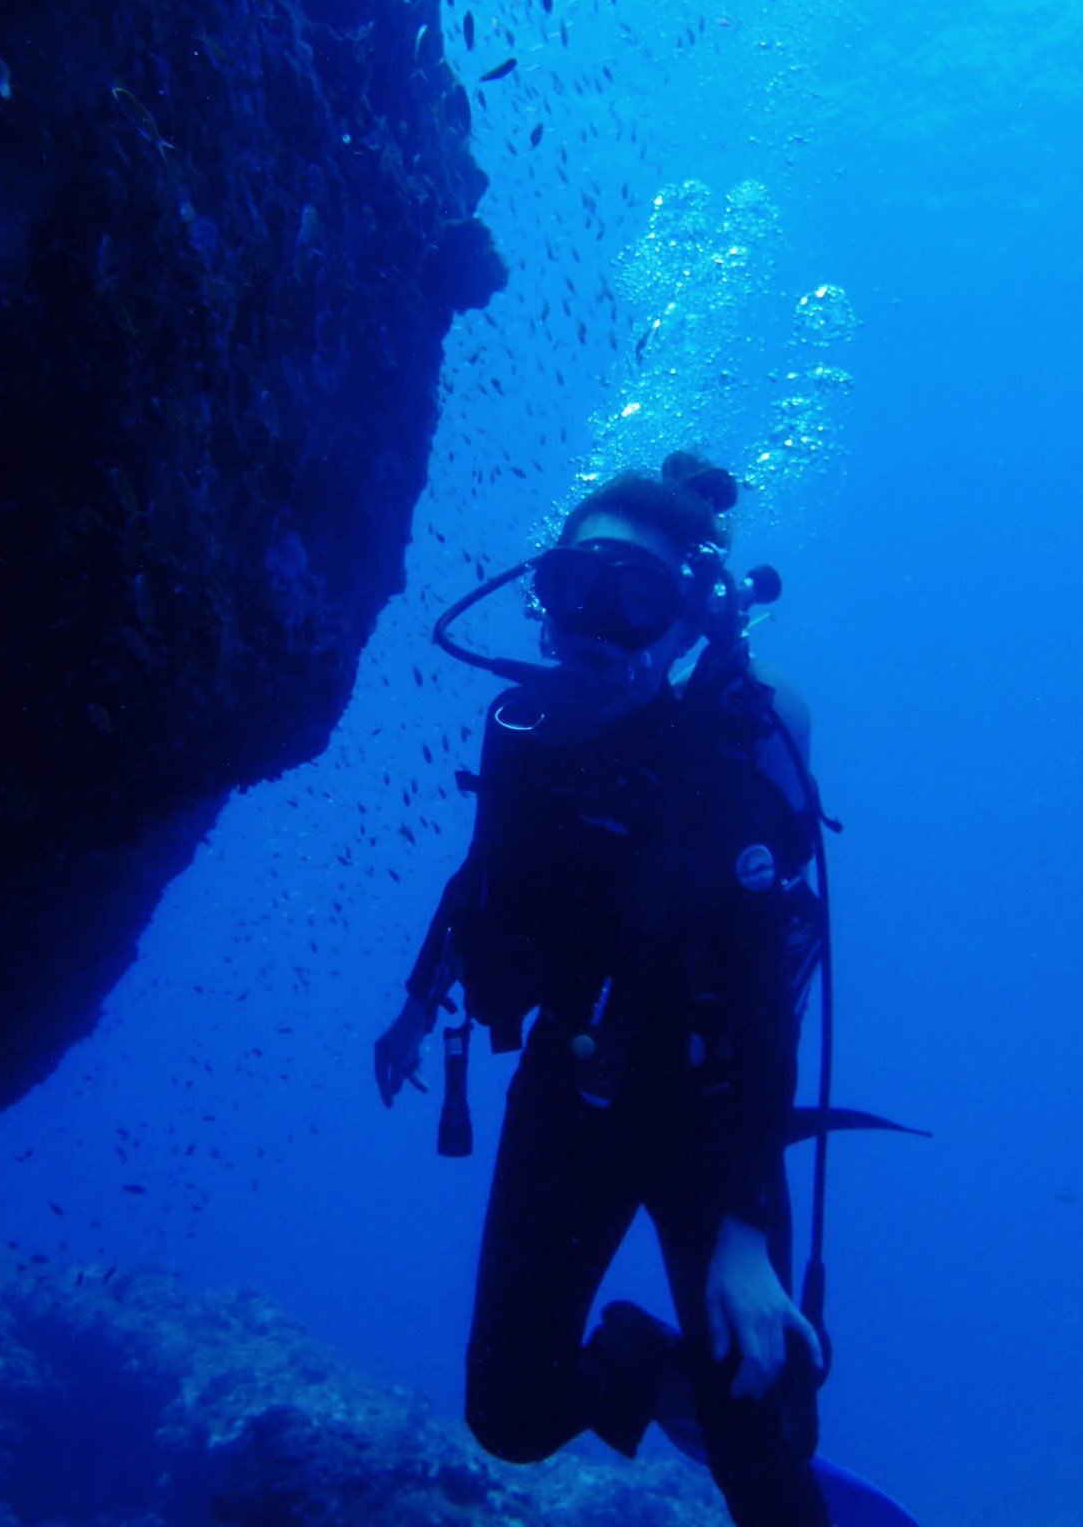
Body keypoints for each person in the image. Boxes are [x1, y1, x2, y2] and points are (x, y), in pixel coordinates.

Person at [375, 452, 841, 1527]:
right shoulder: (522, 732)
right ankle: (636, 1358)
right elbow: (480, 873)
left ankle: (747, 1412)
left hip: (715, 1107)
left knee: (765, 1467)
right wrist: (414, 1005)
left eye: (637, 597)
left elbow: (767, 1000)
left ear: (689, 624)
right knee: (510, 1418)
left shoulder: (722, 759)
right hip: (570, 1082)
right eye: (573, 585)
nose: (594, 620)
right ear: (540, 595)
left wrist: (741, 1238)